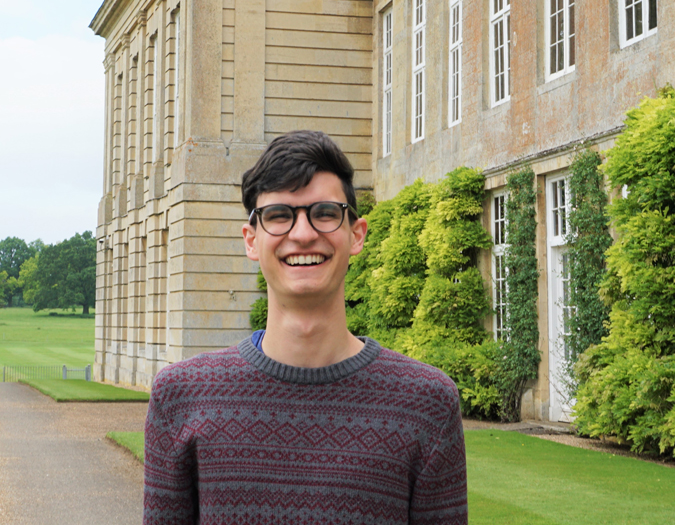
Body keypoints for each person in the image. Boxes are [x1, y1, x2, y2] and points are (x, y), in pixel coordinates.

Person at [143, 130, 468, 524]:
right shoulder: (181, 397)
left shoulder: (427, 403)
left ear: (357, 234)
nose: (302, 234)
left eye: (325, 213)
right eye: (279, 215)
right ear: (251, 240)